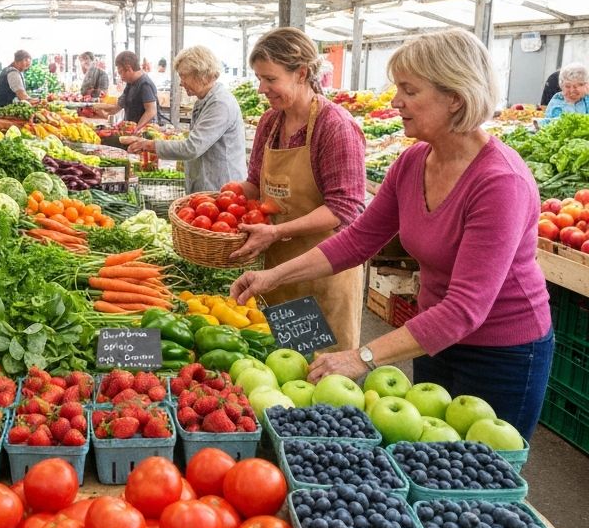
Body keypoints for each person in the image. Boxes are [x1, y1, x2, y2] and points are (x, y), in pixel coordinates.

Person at [233, 29, 554, 440]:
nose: (395, 101)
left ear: (455, 97)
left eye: (409, 90)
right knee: (428, 457)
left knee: (480, 470)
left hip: (502, 353)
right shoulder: (413, 162)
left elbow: (465, 309)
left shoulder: (499, 182)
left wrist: (363, 356)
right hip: (432, 340)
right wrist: (271, 276)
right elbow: (357, 240)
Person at [229, 27, 366, 350]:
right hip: (277, 271)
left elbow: (343, 209)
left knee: (323, 366)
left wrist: (277, 231)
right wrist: (225, 197)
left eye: (270, 79)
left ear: (301, 73)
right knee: (280, 361)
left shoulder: (335, 127)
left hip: (325, 271)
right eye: (259, 79)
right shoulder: (270, 122)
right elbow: (255, 184)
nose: (262, 88)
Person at [127, 45, 246, 192]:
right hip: (209, 186)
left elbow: (192, 147)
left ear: (201, 74)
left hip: (222, 188)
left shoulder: (220, 103)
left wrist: (149, 145)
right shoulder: (205, 100)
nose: (181, 83)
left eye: (183, 76)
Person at [95, 50, 159, 131]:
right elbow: (119, 105)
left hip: (145, 132)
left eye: (121, 72)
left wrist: (136, 130)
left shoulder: (144, 84)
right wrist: (104, 113)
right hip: (132, 128)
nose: (121, 77)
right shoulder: (130, 82)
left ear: (129, 68)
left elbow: (151, 111)